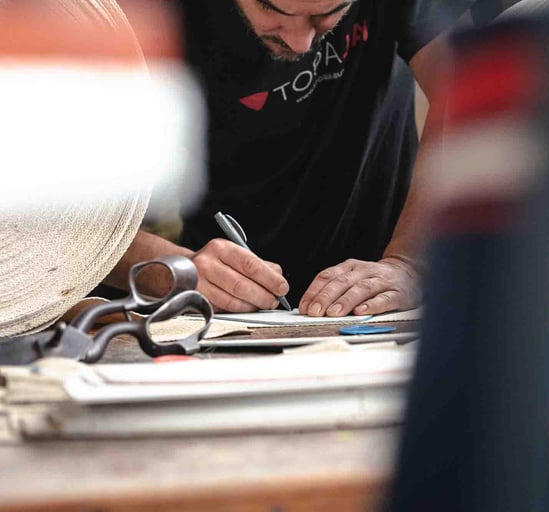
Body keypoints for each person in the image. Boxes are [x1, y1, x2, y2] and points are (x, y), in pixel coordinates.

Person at [105, 0, 478, 317]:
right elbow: (71, 223)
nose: (301, 43)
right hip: (220, 306)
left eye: (329, 14)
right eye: (273, 10)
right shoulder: (129, 11)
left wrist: (410, 262)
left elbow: (467, 91)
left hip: (376, 297)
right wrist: (169, 268)